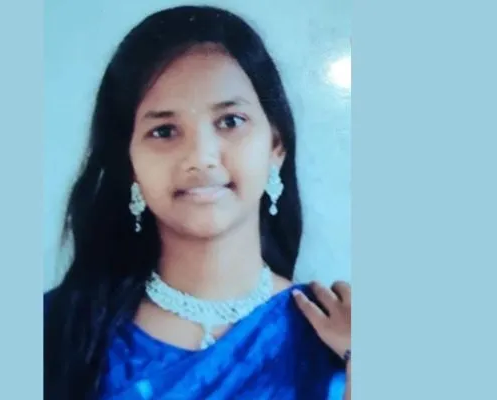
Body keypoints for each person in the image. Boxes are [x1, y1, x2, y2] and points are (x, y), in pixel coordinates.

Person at [44, 5, 351, 400]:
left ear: (275, 145)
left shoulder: (333, 342)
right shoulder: (57, 333)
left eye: (230, 121)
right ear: (129, 164)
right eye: (164, 131)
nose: (201, 157)